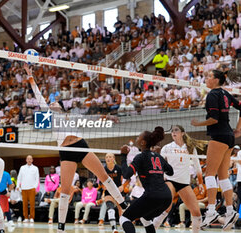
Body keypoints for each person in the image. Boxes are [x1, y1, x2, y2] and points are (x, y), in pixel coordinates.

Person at [24, 64, 127, 233]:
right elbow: (38, 96)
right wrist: (30, 77)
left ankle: (124, 205)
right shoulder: (49, 117)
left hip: (80, 145)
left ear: (61, 106)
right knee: (65, 190)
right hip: (66, 151)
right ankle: (61, 228)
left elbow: (92, 118)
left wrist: (108, 117)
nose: (52, 103)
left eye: (55, 102)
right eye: (51, 103)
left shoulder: (71, 116)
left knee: (104, 176)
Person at [191, 69, 241, 230]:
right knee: (223, 176)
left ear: (217, 80)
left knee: (210, 174)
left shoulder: (213, 95)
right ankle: (230, 210)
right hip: (229, 137)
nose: (206, 78)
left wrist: (197, 124)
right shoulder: (226, 94)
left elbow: (214, 119)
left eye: (209, 76)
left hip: (219, 136)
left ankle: (211, 211)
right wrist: (239, 129)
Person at [152, 125, 206, 233]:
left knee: (197, 213)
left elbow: (197, 166)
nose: (173, 132)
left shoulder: (190, 148)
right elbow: (160, 167)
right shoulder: (167, 148)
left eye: (176, 130)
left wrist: (200, 183)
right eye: (172, 131)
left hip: (184, 183)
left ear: (182, 133)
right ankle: (151, 230)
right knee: (166, 208)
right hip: (170, 180)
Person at [120, 127, 174, 233]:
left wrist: (123, 156)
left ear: (143, 143)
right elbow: (171, 172)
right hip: (167, 197)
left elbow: (126, 174)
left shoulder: (140, 157)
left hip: (152, 195)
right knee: (145, 218)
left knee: (124, 218)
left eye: (138, 137)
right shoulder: (158, 157)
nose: (137, 138)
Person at [16, 155, 39, 223]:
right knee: (24, 204)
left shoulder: (35, 168)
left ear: (32, 160)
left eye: (30, 159)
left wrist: (35, 187)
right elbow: (19, 177)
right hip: (24, 188)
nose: (29, 160)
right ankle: (25, 217)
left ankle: (32, 217)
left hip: (32, 188)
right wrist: (18, 186)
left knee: (32, 204)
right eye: (28, 159)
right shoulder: (22, 168)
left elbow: (37, 178)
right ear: (26, 160)